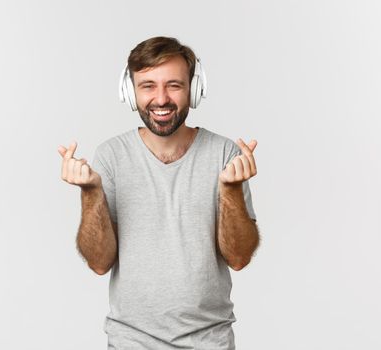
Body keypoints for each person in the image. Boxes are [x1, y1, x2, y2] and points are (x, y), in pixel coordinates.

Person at [58, 36, 260, 350]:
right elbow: (99, 263)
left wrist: (230, 190)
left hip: (210, 342)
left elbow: (239, 258)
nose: (161, 99)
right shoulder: (111, 155)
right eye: (148, 85)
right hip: (131, 342)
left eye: (174, 85)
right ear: (130, 91)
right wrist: (90, 192)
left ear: (194, 90)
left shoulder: (224, 153)